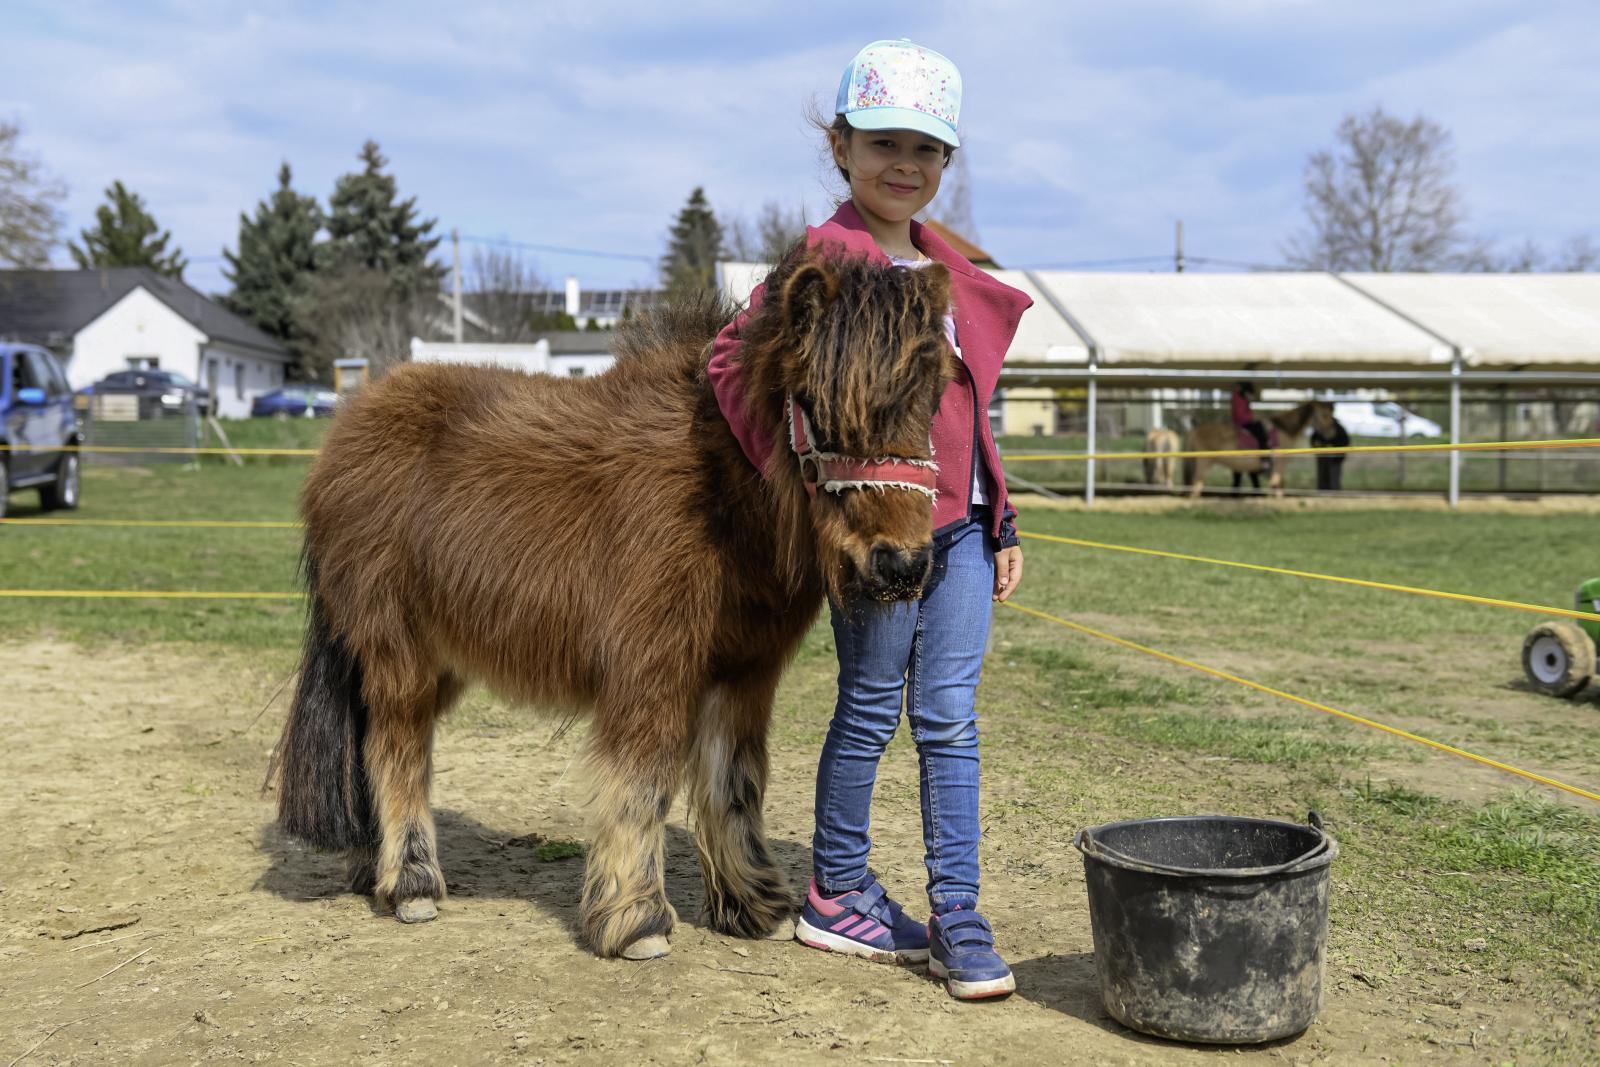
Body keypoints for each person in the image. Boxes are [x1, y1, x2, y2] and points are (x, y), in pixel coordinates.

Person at [706, 38, 1031, 1001]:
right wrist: (804, 480)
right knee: (871, 706)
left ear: (946, 163)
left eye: (927, 150)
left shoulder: (940, 267)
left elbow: (968, 413)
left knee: (951, 718)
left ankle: (959, 913)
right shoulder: (824, 264)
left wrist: (1003, 517)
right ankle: (838, 890)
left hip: (959, 529)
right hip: (877, 530)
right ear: (841, 147)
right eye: (884, 143)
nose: (905, 165)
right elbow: (730, 364)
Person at [1311, 414, 1350, 491]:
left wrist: (1333, 446)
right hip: (1322, 458)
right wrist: (1317, 445)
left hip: (1335, 459)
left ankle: (1335, 494)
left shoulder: (1339, 429)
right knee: (1322, 479)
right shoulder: (1320, 429)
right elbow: (1314, 440)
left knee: (1334, 480)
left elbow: (1345, 442)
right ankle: (1321, 493)